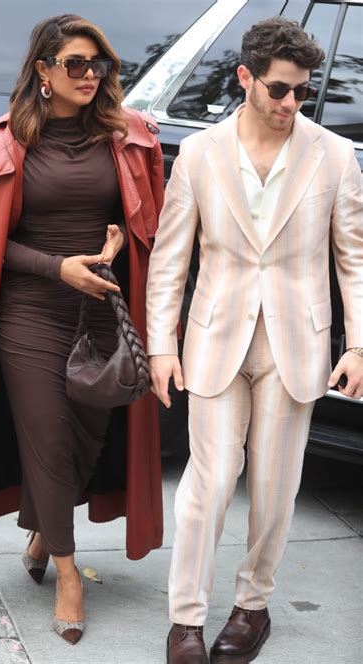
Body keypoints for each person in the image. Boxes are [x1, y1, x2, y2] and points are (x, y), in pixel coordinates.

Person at [0, 14, 164, 645]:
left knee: (88, 440)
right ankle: (67, 572)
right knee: (51, 441)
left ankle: (41, 532)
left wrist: (114, 246)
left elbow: (149, 232)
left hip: (102, 311)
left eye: (99, 65)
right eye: (76, 65)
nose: (90, 76)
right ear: (43, 72)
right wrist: (58, 267)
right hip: (28, 314)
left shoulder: (132, 137)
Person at [146, 17, 362, 664]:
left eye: (301, 90)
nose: (290, 103)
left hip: (297, 343)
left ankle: (252, 607)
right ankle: (185, 619)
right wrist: (161, 345)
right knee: (208, 486)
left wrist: (358, 344)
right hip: (216, 339)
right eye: (277, 89)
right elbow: (170, 259)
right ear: (245, 78)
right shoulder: (202, 154)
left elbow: (354, 255)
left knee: (274, 488)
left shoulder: (330, 154)